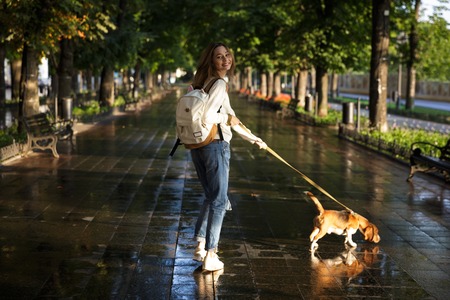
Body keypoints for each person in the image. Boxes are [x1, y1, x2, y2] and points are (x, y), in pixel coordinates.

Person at [189, 42, 267, 271]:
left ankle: (200, 245)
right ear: (211, 61)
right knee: (220, 201)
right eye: (219, 57)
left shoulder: (202, 82)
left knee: (211, 196)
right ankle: (211, 255)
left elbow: (231, 116)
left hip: (198, 145)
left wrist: (254, 138)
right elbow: (213, 115)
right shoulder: (219, 84)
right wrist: (226, 120)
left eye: (227, 55)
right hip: (215, 146)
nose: (225, 60)